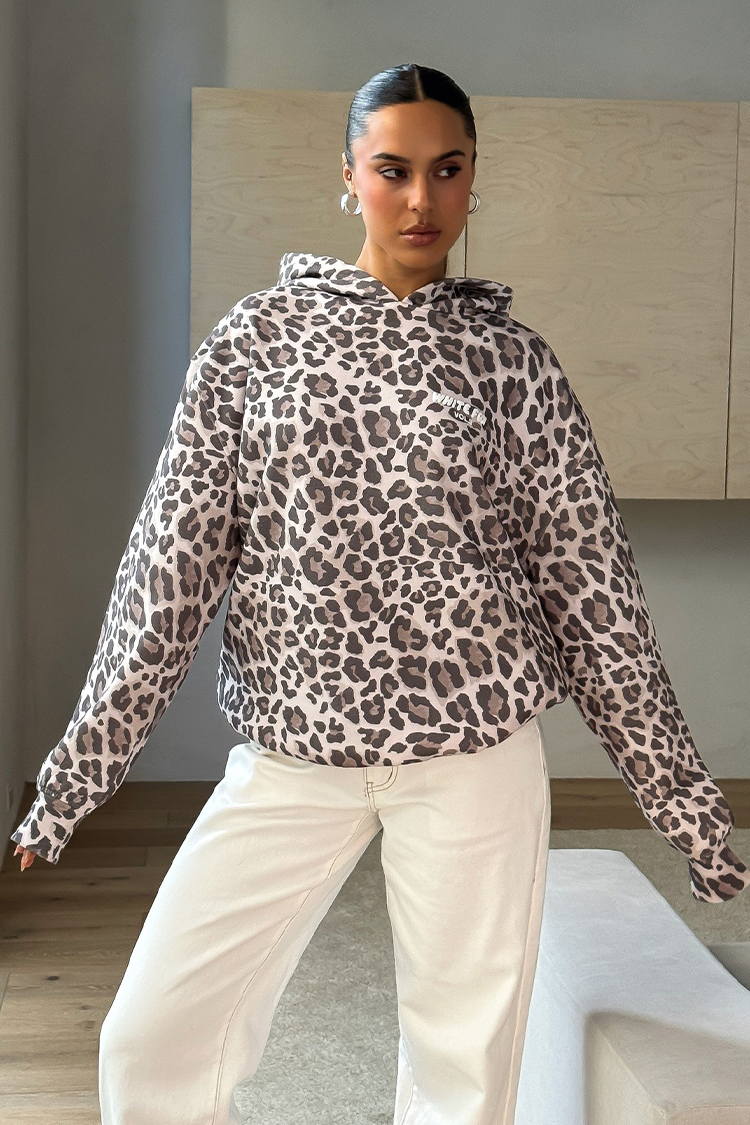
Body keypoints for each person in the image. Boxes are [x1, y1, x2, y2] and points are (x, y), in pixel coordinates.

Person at [10, 62, 749, 1125]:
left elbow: (597, 603)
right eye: (393, 169)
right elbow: (166, 575)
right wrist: (74, 779)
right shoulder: (255, 342)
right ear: (348, 176)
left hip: (474, 760)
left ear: (473, 180)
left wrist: (687, 813)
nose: (420, 199)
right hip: (294, 754)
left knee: (462, 1072)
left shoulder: (512, 364)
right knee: (153, 1039)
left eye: (448, 170)